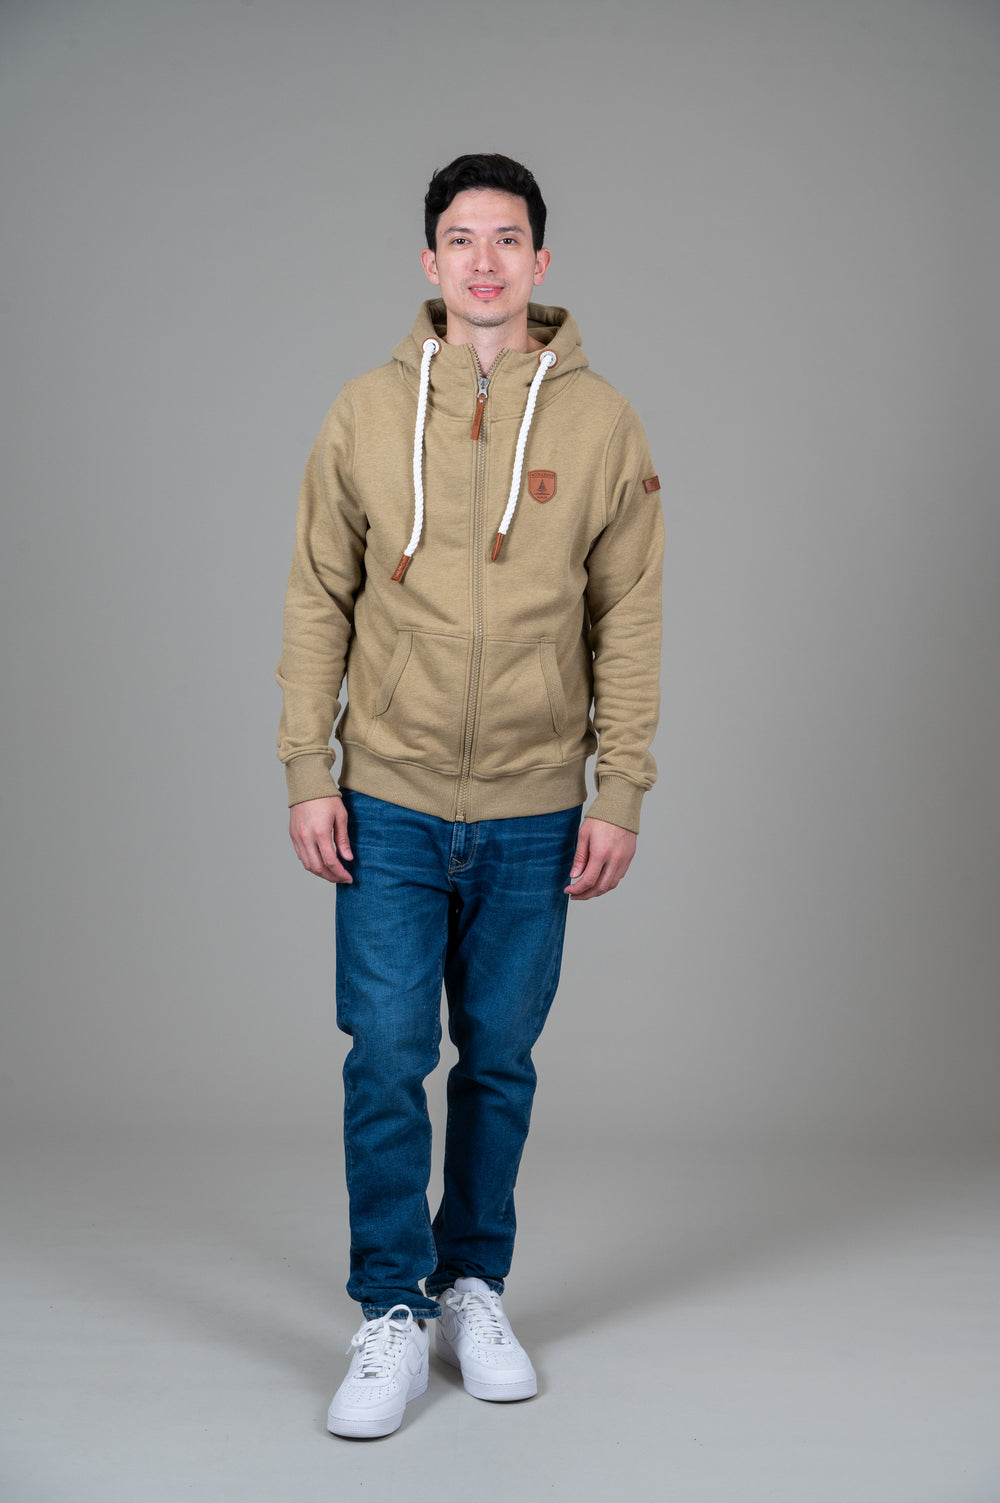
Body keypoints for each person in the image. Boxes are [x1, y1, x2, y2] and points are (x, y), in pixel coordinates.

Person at [275, 153, 664, 1439]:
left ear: (540, 262)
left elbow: (629, 615)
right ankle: (391, 1306)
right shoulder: (362, 413)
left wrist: (618, 788)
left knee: (497, 1057)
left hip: (534, 804)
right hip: (386, 794)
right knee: (388, 1053)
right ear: (428, 260)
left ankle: (471, 1284)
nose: (483, 260)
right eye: (460, 237)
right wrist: (307, 768)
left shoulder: (602, 422)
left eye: (506, 238)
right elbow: (317, 596)